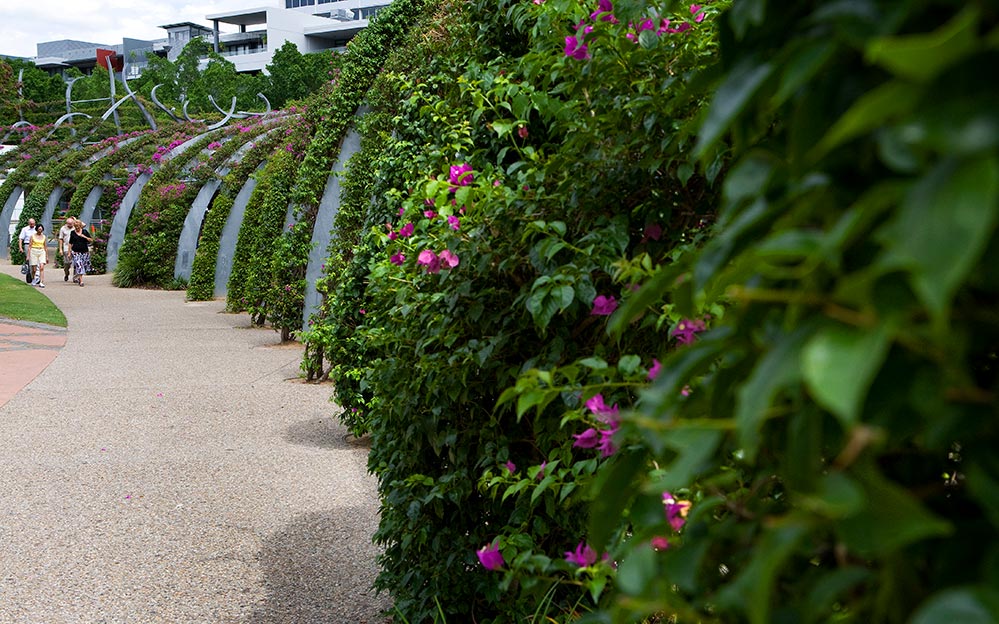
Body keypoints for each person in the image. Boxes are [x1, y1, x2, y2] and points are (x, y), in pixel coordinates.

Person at [69, 220, 93, 287]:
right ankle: (81, 281)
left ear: (80, 225)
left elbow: (91, 240)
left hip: (84, 252)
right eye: (75, 226)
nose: (77, 228)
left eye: (78, 226)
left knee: (84, 266)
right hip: (76, 252)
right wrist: (69, 252)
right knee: (79, 265)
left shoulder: (85, 232)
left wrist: (84, 236)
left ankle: (78, 277)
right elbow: (70, 243)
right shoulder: (73, 233)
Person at [17, 218, 36, 284]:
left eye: (33, 224)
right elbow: (21, 239)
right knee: (29, 260)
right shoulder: (25, 229)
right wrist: (20, 248)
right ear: (29, 223)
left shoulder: (36, 229)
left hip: (35, 245)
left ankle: (34, 275)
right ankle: (30, 275)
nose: (32, 225)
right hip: (27, 245)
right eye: (31, 224)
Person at [28, 224, 47, 288]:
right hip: (33, 251)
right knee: (34, 269)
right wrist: (28, 256)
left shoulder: (44, 237)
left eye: (41, 229)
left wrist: (46, 256)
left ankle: (41, 282)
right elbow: (30, 246)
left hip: (41, 251)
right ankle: (33, 279)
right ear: (37, 229)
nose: (40, 230)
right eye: (39, 229)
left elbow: (45, 247)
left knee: (41, 267)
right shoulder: (32, 236)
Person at [58, 216, 75, 282]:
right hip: (66, 247)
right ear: (66, 223)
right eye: (69, 224)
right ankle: (66, 273)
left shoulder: (75, 227)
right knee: (67, 263)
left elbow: (83, 225)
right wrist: (60, 249)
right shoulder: (63, 229)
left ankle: (75, 277)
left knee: (76, 263)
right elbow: (60, 239)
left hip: (75, 247)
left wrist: (75, 219)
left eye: (72, 224)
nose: (70, 225)